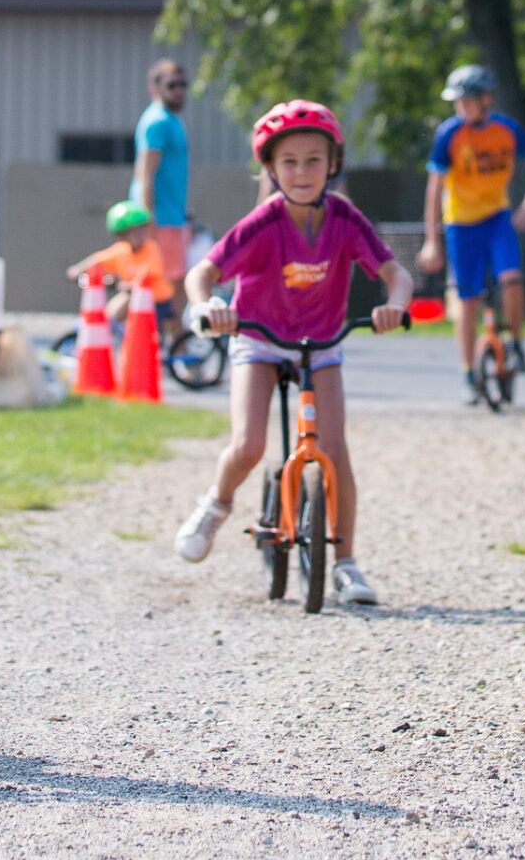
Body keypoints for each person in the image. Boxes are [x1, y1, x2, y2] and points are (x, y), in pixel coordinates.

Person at [174, 101, 412, 605]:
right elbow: (204, 273)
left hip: (320, 343)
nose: (301, 172)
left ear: (333, 165)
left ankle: (346, 563)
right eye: (289, 162)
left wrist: (395, 305)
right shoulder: (262, 223)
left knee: (336, 449)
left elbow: (396, 273)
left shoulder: (346, 219)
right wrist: (207, 306)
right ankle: (216, 505)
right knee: (249, 444)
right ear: (271, 168)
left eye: (313, 160)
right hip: (259, 337)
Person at [414, 65, 525, 404]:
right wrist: (432, 240)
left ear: (485, 100)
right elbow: (434, 190)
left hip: (497, 218)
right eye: (456, 101)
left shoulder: (507, 129)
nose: (459, 106)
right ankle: (467, 373)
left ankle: (516, 344)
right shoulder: (449, 135)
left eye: (465, 100)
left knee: (512, 279)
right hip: (460, 223)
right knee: (468, 297)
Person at [66, 200, 175, 331]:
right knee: (110, 312)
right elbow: (98, 259)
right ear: (122, 235)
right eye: (134, 232)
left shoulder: (150, 249)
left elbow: (147, 276)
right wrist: (77, 270)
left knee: (135, 322)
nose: (140, 236)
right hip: (132, 297)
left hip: (157, 301)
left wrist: (121, 284)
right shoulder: (121, 250)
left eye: (142, 231)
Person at [133, 59, 192, 283]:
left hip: (173, 218)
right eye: (171, 85)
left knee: (166, 288)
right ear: (154, 88)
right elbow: (146, 173)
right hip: (160, 222)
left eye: (182, 85)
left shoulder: (171, 120)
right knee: (158, 286)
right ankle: (96, 320)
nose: (178, 91)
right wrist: (148, 223)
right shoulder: (157, 121)